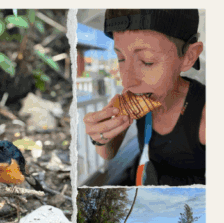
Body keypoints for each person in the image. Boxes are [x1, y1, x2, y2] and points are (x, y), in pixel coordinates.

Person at [83, 10, 204, 185]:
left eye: (147, 61)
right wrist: (101, 136)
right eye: (121, 58)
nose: (127, 81)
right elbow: (108, 153)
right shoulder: (133, 99)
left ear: (188, 56)